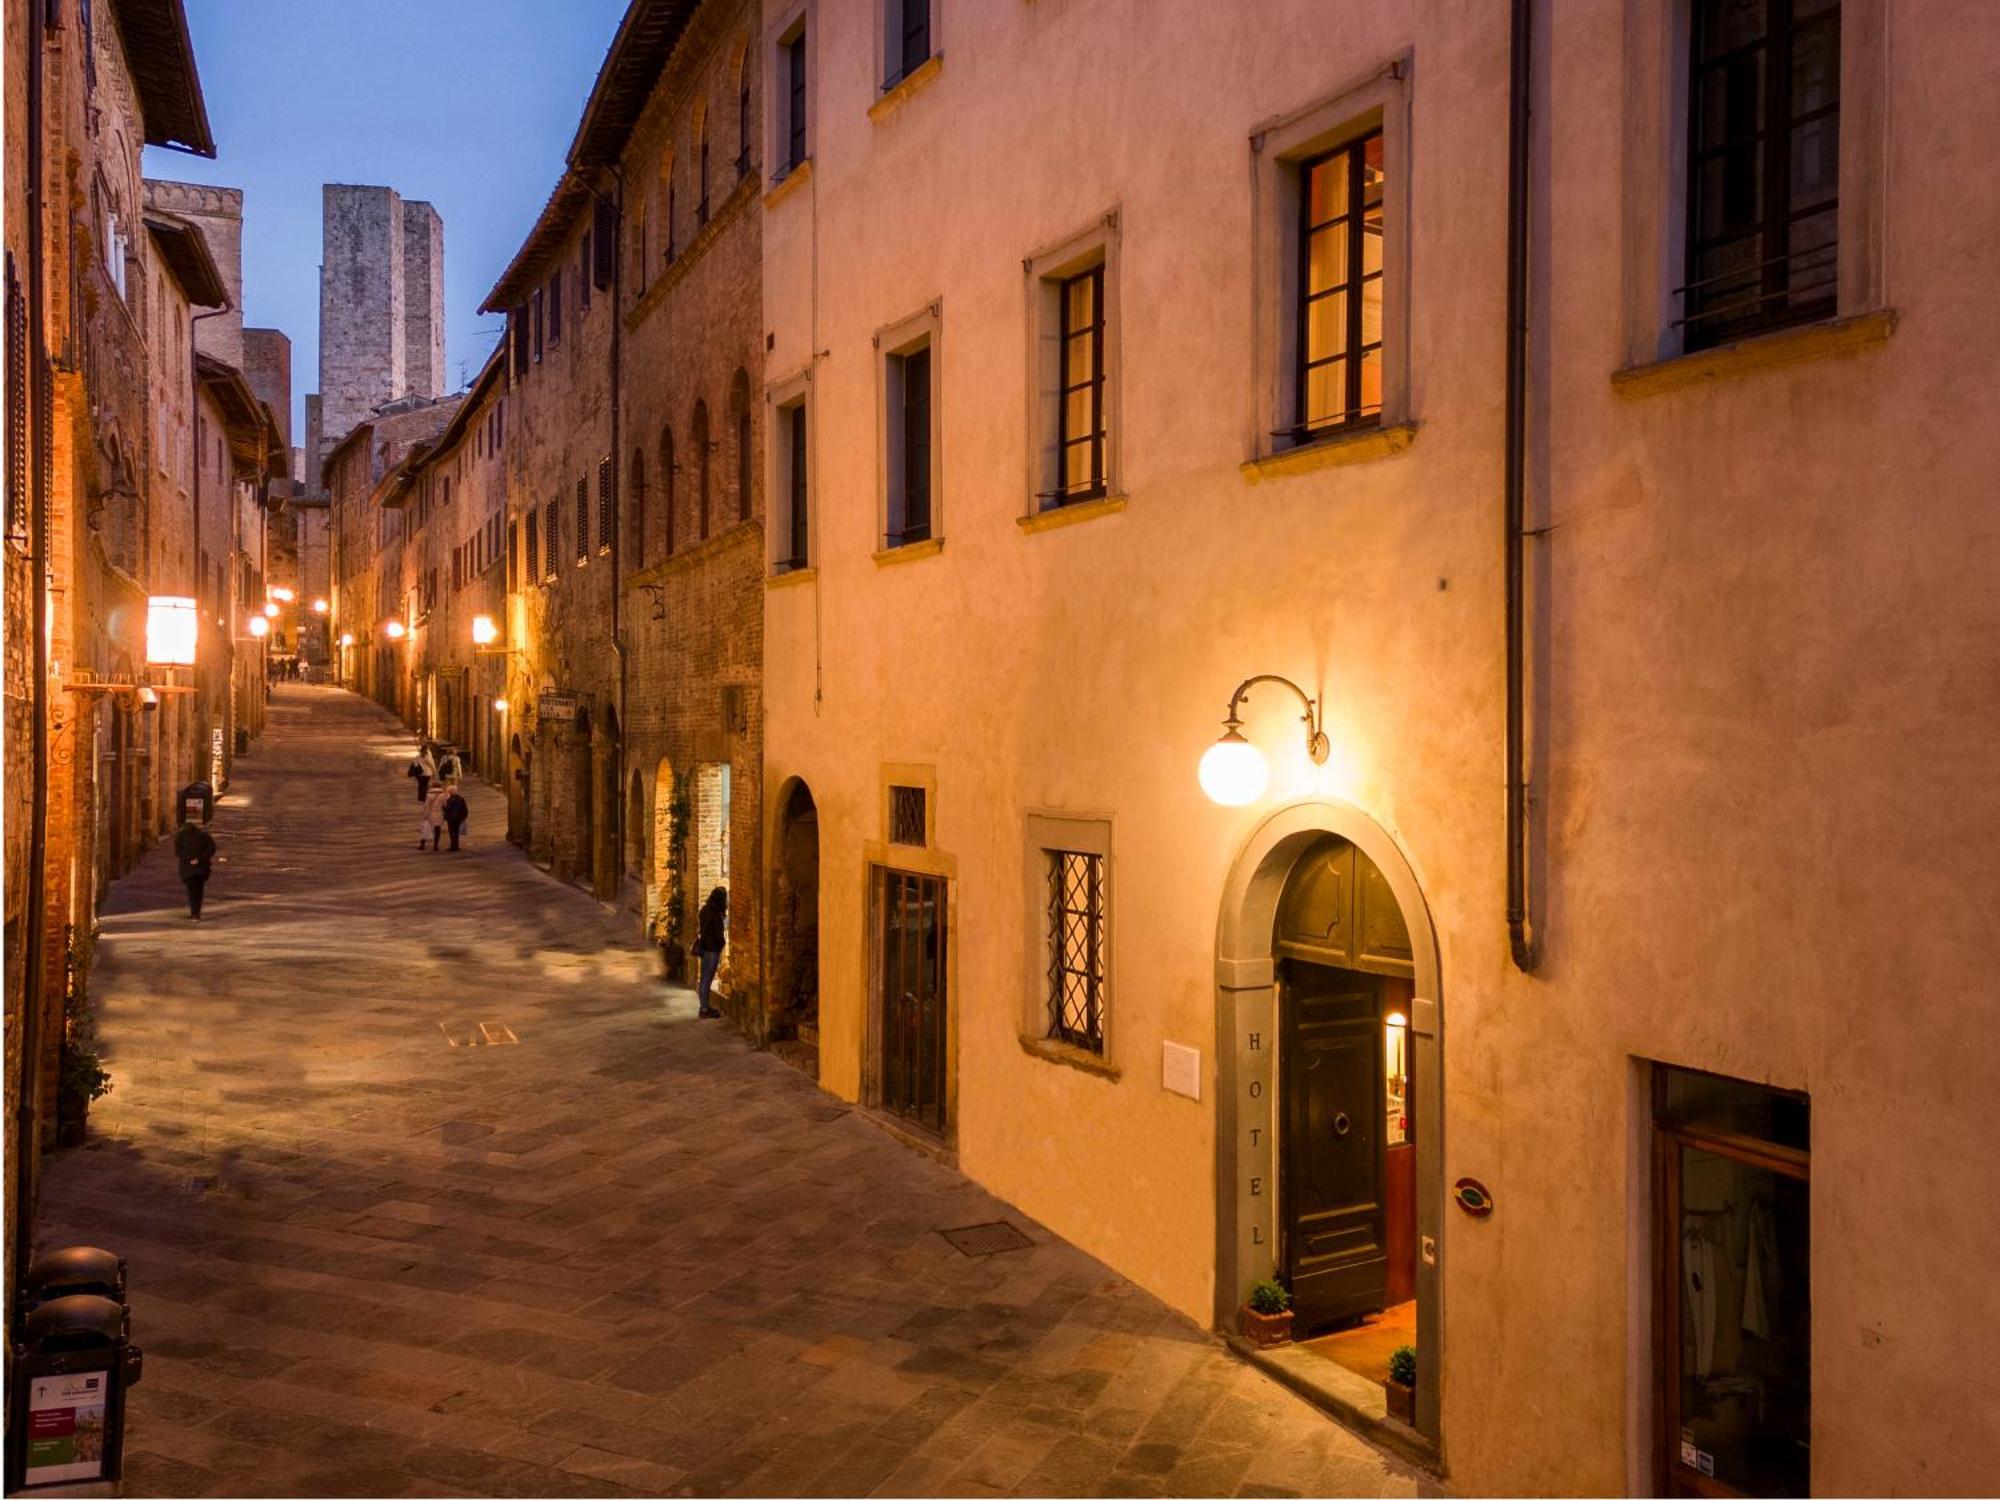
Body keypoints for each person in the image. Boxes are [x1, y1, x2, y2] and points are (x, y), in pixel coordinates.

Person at [174, 817, 216, 920]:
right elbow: (211, 849)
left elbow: (178, 851)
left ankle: (194, 913)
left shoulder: (180, 836)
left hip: (188, 869)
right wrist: (199, 859)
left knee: (191, 891)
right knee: (199, 890)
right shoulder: (204, 836)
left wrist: (188, 860)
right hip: (201, 869)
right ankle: (196, 912)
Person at [695, 886, 727, 1018]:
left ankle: (703, 1006)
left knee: (703, 978)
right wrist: (722, 944)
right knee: (708, 979)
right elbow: (719, 935)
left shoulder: (704, 910)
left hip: (704, 948)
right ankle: (704, 1009)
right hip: (712, 950)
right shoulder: (716, 915)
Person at [421, 782, 450, 851]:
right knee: (437, 830)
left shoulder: (428, 795)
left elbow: (426, 806)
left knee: (426, 829)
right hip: (439, 813)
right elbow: (445, 805)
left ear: (432, 787)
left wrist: (425, 816)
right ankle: (435, 846)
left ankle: (422, 844)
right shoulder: (443, 795)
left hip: (430, 813)